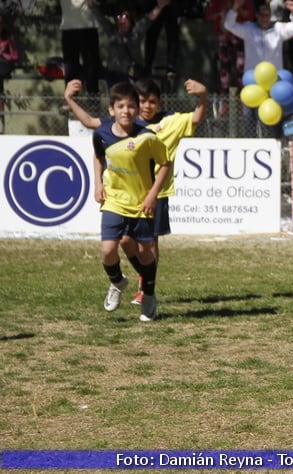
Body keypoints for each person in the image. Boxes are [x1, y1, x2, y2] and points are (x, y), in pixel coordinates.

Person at [66, 77, 208, 308]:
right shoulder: (122, 123)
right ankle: (133, 281)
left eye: (152, 102)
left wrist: (203, 95)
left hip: (155, 193)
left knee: (149, 246)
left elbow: (196, 118)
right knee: (122, 241)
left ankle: (146, 289)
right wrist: (69, 99)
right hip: (121, 196)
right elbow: (92, 126)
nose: (146, 106)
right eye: (141, 101)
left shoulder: (168, 123)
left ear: (159, 104)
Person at [92, 81, 171, 322]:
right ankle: (117, 282)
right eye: (120, 106)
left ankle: (148, 295)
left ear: (137, 110)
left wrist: (152, 195)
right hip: (114, 201)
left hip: (141, 203)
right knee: (107, 250)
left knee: (145, 252)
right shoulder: (101, 134)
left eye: (130, 107)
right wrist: (98, 184)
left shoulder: (147, 136)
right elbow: (98, 156)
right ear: (111, 110)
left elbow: (166, 164)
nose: (126, 111)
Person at [225, 0, 293, 136]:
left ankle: (275, 145)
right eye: (262, 15)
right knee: (249, 118)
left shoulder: (278, 29)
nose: (265, 18)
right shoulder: (249, 29)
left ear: (270, 15)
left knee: (273, 119)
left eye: (267, 15)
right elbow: (229, 25)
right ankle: (250, 146)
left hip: (274, 83)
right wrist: (235, 8)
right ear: (257, 16)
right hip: (253, 82)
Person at [90, 0, 170, 88]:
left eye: (125, 17)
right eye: (119, 17)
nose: (122, 19)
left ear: (130, 20)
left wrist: (159, 7)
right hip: (113, 75)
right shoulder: (112, 32)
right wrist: (91, 5)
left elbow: (148, 19)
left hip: (131, 75)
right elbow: (101, 18)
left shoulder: (135, 33)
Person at [60, 0, 103, 94]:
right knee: (71, 64)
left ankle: (93, 98)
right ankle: (72, 97)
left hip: (87, 26)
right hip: (70, 26)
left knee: (90, 63)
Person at [144, 0, 184, 79]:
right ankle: (148, 65)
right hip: (156, 9)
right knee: (151, 33)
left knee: (173, 34)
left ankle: (171, 65)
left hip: (170, 8)